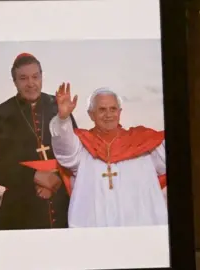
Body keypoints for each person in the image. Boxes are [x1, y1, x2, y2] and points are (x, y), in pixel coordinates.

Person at [49, 83, 168, 228]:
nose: (108, 115)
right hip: (94, 231)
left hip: (139, 229)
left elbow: (166, 158)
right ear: (91, 115)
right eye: (102, 110)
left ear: (120, 112)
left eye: (113, 109)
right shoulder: (82, 146)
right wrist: (63, 119)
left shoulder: (143, 141)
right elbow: (65, 151)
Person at [0, 53, 78, 230]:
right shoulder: (1, 113)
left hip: (63, 201)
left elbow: (75, 153)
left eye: (35, 77)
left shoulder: (58, 106)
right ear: (14, 81)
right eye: (23, 78)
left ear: (41, 77)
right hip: (22, 204)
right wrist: (35, 177)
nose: (31, 83)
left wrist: (57, 179)